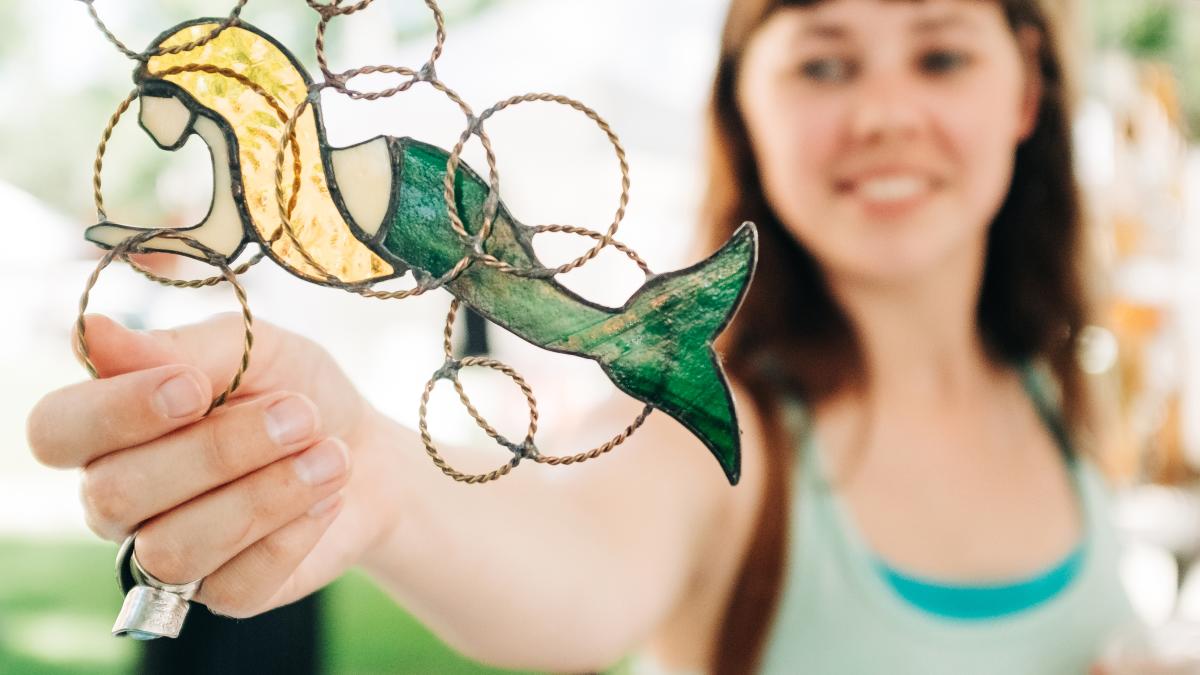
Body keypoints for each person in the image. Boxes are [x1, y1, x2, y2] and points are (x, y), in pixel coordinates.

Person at [26, 0, 1139, 672]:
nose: (887, 111)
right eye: (824, 61)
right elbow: (577, 565)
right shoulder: (718, 435)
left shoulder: (1069, 392)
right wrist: (376, 477)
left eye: (940, 55)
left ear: (1026, 92)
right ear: (743, 101)